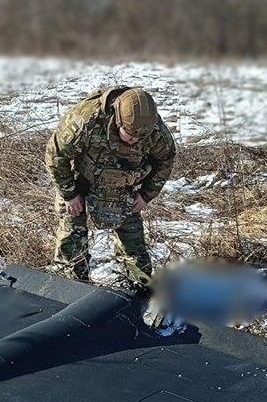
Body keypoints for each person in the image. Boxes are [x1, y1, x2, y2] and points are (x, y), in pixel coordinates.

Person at [44, 85, 176, 289]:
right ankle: (71, 289)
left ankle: (139, 293)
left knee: (134, 247)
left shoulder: (153, 128)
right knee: (71, 241)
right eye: (130, 135)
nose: (135, 142)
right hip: (80, 182)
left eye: (140, 138)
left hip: (123, 188)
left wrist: (146, 194)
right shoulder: (86, 119)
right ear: (117, 119)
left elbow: (166, 159)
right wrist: (69, 194)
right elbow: (56, 155)